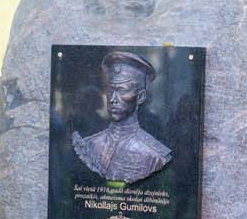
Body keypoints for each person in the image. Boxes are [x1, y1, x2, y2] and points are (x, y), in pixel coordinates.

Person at [71, 51, 173, 185]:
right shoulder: (90, 144)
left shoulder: (154, 155)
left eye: (122, 90)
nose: (112, 99)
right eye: (110, 90)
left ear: (141, 97)